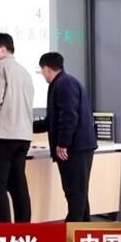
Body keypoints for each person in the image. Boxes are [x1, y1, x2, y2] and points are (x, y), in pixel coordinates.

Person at [33, 52, 98, 222]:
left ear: (47, 69)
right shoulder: (62, 83)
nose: (43, 75)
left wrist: (63, 143)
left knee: (74, 192)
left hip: (75, 149)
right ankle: (84, 229)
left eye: (41, 71)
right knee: (79, 192)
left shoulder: (64, 84)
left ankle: (72, 230)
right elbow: (52, 120)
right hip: (77, 147)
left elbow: (69, 116)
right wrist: (28, 127)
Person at [0, 33, 35, 223]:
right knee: (18, 185)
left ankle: (4, 231)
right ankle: (23, 230)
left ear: (3, 50)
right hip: (23, 136)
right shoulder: (24, 72)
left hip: (1, 136)